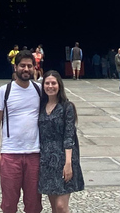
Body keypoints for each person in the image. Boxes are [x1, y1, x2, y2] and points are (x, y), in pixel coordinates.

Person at [0, 50, 43, 213]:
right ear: (15, 67)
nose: (26, 69)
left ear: (35, 68)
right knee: (9, 203)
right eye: (22, 65)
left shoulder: (39, 90)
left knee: (34, 203)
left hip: (34, 153)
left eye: (29, 66)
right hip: (10, 153)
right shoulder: (4, 91)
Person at [38, 71, 85, 212]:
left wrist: (68, 163)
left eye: (53, 83)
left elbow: (69, 135)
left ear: (59, 85)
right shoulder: (40, 107)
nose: (50, 86)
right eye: (47, 83)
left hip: (64, 158)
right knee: (54, 207)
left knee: (61, 206)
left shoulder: (67, 107)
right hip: (46, 160)